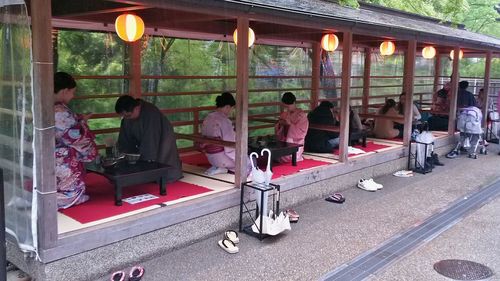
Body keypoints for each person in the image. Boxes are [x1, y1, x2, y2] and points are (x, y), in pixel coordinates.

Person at [54, 72, 97, 209]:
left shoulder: (43, 104)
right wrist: (83, 123)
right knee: (69, 186)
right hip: (59, 155)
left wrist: (79, 120)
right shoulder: (59, 111)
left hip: (44, 152)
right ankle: (65, 198)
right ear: (65, 90)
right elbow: (75, 136)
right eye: (72, 92)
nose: (73, 96)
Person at [115, 95, 182, 183]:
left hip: (163, 138)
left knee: (164, 160)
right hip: (146, 142)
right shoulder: (128, 118)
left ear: (137, 107)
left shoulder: (150, 113)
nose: (126, 118)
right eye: (124, 116)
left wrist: (144, 164)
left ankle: (159, 176)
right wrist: (124, 157)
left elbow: (150, 141)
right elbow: (125, 140)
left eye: (128, 115)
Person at [200, 92, 238, 175]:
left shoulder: (208, 117)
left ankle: (219, 167)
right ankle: (225, 168)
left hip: (210, 157)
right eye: (232, 108)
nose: (231, 111)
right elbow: (229, 147)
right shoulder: (224, 121)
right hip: (221, 157)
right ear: (228, 107)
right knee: (246, 163)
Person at [275, 92, 309, 162]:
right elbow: (278, 128)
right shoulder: (285, 114)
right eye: (286, 106)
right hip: (284, 140)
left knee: (290, 156)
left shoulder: (301, 115)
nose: (287, 108)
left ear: (294, 102)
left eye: (289, 106)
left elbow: (302, 132)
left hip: (295, 142)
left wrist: (290, 124)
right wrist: (280, 124)